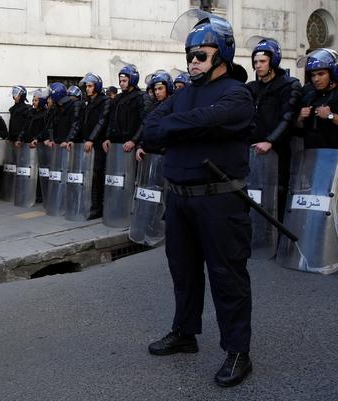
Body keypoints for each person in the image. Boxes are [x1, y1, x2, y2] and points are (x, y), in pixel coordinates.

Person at [143, 11, 256, 387]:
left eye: (201, 55)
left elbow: (205, 121)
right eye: (190, 55)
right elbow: (151, 130)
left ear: (222, 55)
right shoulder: (185, 94)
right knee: (184, 273)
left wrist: (180, 128)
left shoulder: (238, 94)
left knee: (227, 276)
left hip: (219, 202)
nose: (193, 62)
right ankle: (184, 333)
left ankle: (238, 351)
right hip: (179, 200)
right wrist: (192, 126)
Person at [246, 37, 302, 221]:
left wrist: (270, 141)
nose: (258, 65)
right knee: (253, 195)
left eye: (262, 61)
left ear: (273, 61)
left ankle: (278, 243)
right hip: (253, 152)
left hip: (278, 152)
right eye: (255, 62)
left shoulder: (289, 84)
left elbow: (287, 117)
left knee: (278, 196)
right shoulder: (251, 88)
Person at [75, 72, 111, 219]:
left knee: (98, 175)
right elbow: (81, 123)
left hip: (98, 144)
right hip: (89, 143)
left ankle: (98, 208)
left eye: (90, 86)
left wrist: (91, 139)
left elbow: (101, 121)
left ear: (97, 86)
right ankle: (93, 204)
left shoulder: (104, 101)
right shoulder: (88, 102)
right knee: (91, 175)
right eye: (87, 86)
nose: (87, 89)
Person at [296, 48, 338, 149]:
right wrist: (300, 119)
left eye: (321, 74)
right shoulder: (308, 92)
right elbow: (298, 130)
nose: (316, 79)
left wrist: (330, 116)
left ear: (332, 73)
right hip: (311, 155)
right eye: (313, 75)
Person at [104, 65, 145, 155]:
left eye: (124, 81)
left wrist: (134, 141)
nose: (121, 83)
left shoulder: (140, 97)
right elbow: (111, 119)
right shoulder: (118, 98)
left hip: (132, 146)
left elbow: (143, 122)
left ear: (132, 80)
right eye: (120, 81)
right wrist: (108, 138)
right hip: (116, 145)